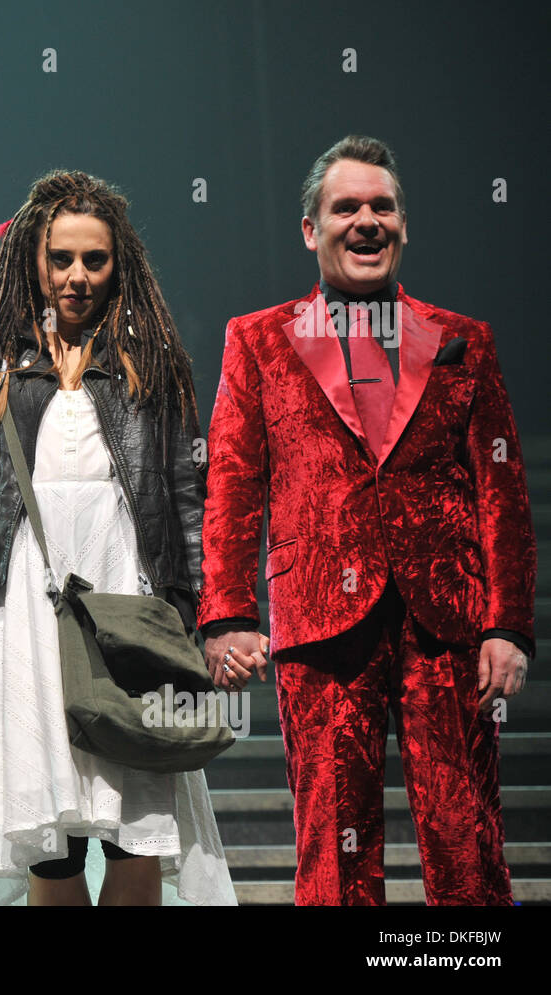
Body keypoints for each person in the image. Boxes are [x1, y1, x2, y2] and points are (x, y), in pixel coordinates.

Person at [0, 171, 235, 906]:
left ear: (117, 264)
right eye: (61, 258)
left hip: (127, 601)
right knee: (51, 842)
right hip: (27, 611)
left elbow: (186, 500)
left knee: (134, 823)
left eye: (94, 260)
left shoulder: (154, 364)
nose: (77, 276)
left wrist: (216, 618)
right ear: (34, 262)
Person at [198, 135, 535, 905]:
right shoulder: (258, 340)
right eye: (345, 207)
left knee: (466, 840)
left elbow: (502, 491)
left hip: (444, 622)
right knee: (333, 848)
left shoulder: (462, 340)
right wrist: (226, 613)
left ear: (404, 226)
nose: (366, 220)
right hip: (321, 621)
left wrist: (508, 623)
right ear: (311, 230)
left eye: (382, 206)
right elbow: (234, 482)